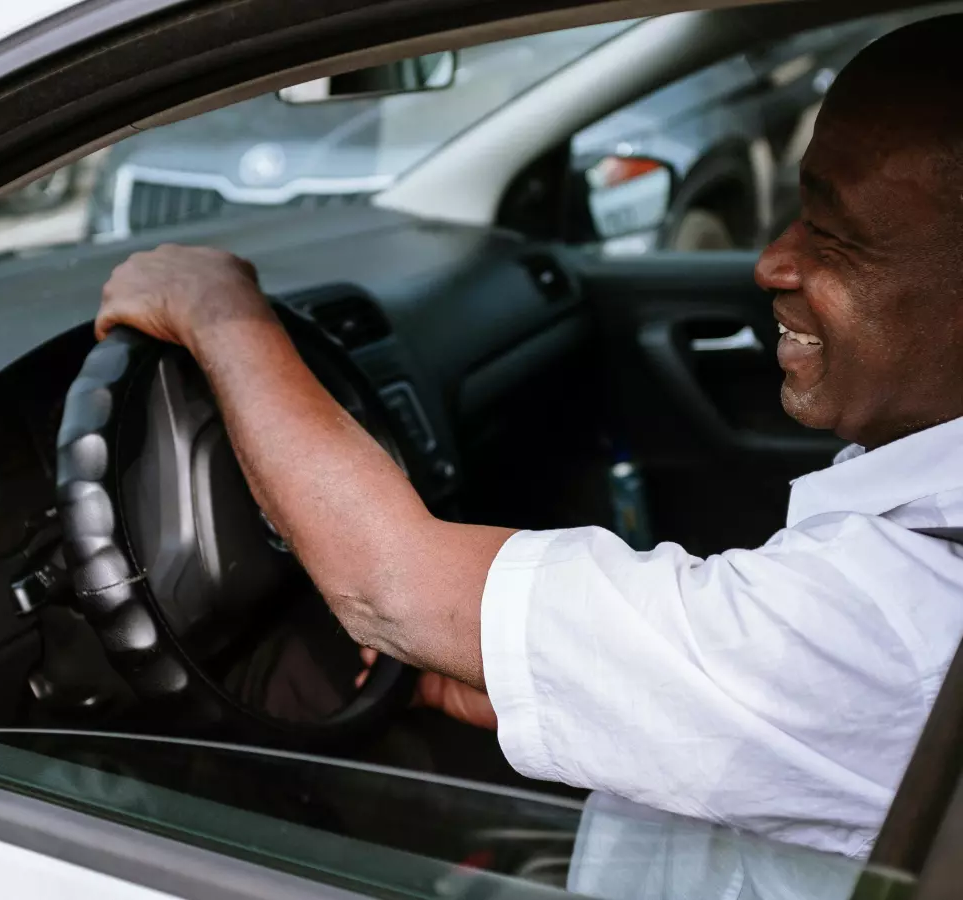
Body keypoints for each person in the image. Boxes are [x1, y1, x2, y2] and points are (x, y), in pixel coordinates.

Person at [94, 16, 963, 863]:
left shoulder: (896, 627)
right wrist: (552, 685)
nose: (771, 263)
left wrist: (217, 311)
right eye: (796, 212)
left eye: (837, 234)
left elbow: (385, 584)